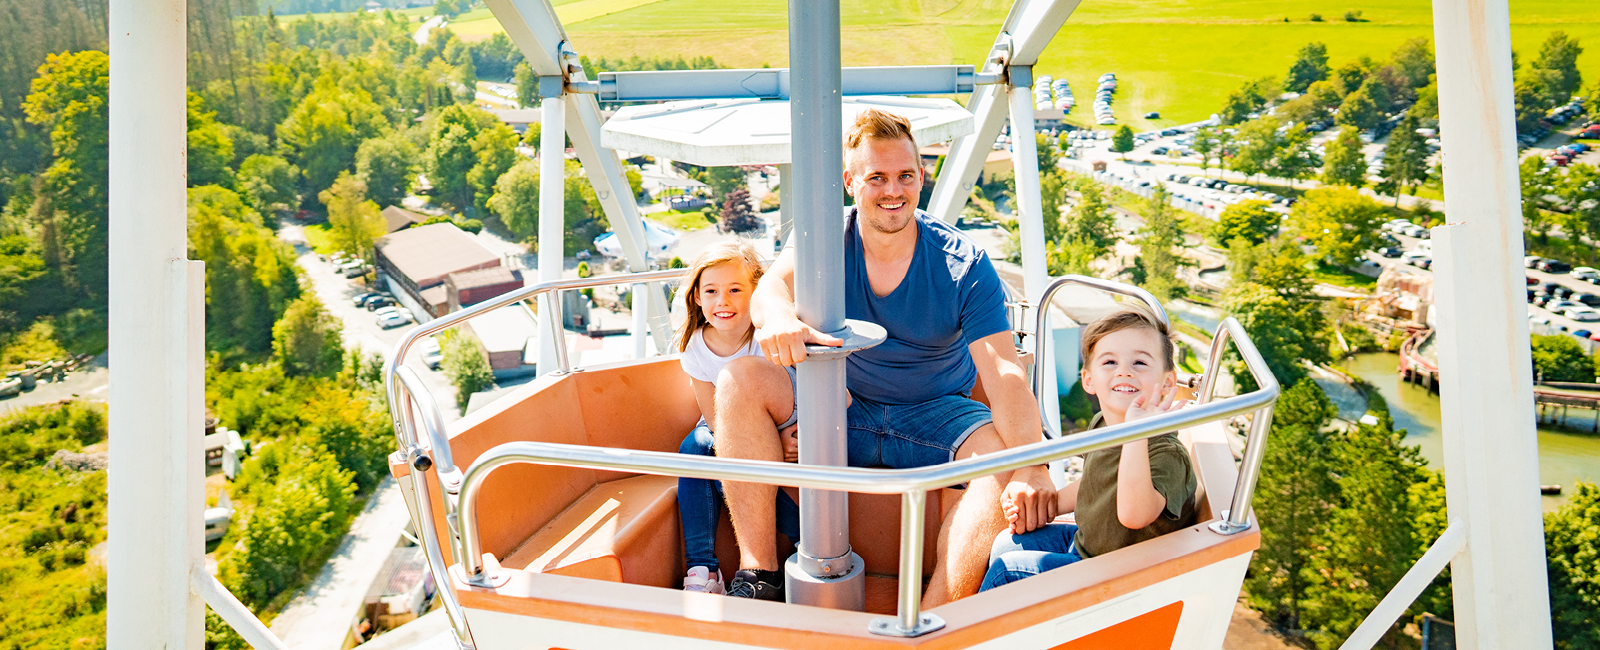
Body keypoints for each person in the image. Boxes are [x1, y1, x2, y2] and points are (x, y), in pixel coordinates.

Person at [712, 108, 1057, 605]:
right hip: (843, 402)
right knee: (738, 380)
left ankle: (936, 616)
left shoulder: (964, 263)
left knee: (1001, 464)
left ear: (921, 177)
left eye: (905, 176)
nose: (893, 190)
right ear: (851, 182)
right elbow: (769, 288)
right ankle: (759, 572)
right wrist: (779, 317)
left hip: (938, 411)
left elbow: (1002, 371)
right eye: (877, 177)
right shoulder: (827, 238)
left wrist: (1032, 464)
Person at [979, 304, 1197, 591]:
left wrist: (1137, 431)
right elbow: (1096, 479)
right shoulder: (1103, 424)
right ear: (1089, 380)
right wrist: (1051, 505)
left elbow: (1134, 515)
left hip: (1119, 575)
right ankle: (1018, 622)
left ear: (1167, 382)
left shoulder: (1167, 455)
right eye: (1109, 363)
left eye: (1140, 363)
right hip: (1088, 546)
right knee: (1007, 543)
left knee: (1007, 572)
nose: (1124, 372)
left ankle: (976, 634)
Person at [671, 240, 802, 595]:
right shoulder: (696, 346)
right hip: (728, 431)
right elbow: (713, 419)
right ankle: (702, 569)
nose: (722, 301)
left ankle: (798, 553)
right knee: (695, 446)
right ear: (697, 297)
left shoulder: (767, 337)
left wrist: (791, 435)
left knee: (777, 470)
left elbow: (801, 393)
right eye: (711, 291)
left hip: (781, 422)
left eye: (734, 290)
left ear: (755, 293)